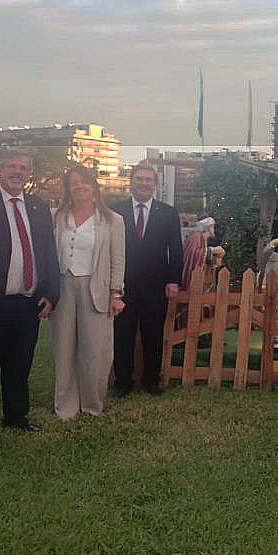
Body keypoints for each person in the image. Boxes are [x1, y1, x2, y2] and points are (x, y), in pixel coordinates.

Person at [0, 151, 60, 444]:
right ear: (0, 170)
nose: (17, 172)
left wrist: (51, 292)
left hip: (28, 300)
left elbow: (47, 252)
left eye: (23, 168)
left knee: (20, 363)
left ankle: (17, 416)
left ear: (29, 173)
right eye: (11, 166)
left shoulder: (38, 207)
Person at [50, 166, 125, 419]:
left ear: (94, 186)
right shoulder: (57, 217)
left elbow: (118, 260)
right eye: (74, 183)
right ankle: (66, 406)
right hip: (63, 286)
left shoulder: (112, 220)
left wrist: (116, 294)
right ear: (68, 188)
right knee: (64, 347)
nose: (80, 186)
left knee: (95, 350)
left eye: (85, 182)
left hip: (96, 288)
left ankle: (92, 404)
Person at [112, 164, 183, 397]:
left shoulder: (169, 213)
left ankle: (151, 379)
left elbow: (176, 249)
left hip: (155, 286)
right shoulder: (115, 211)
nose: (143, 184)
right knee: (123, 336)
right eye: (139, 179)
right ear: (131, 182)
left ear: (155, 184)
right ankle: (123, 381)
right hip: (122, 286)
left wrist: (173, 280)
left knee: (153, 335)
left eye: (148, 180)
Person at [181, 217, 225, 291]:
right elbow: (194, 253)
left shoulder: (202, 238)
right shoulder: (196, 236)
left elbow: (203, 255)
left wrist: (216, 257)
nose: (214, 230)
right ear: (208, 227)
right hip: (193, 277)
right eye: (213, 227)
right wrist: (213, 250)